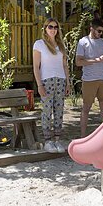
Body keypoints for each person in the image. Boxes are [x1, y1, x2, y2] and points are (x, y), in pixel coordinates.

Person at [32, 19, 69, 151]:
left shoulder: (61, 45)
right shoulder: (39, 44)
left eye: (55, 27)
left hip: (60, 80)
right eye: (50, 27)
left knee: (59, 111)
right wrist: (39, 85)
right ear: (45, 28)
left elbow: (65, 65)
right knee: (47, 110)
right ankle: (48, 141)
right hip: (46, 81)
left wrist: (68, 83)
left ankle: (57, 140)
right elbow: (36, 67)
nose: (53, 29)